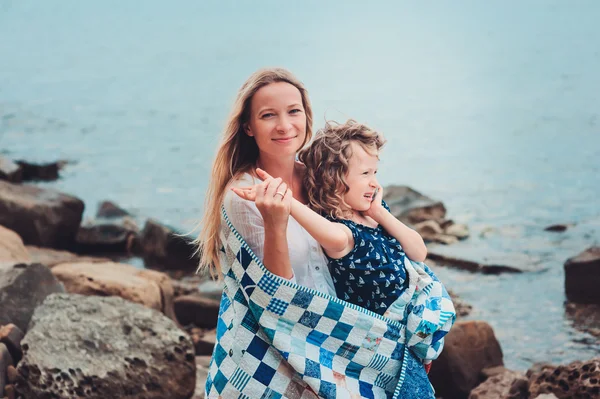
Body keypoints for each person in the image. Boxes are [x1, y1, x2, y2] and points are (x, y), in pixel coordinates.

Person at [232, 119, 454, 373]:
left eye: (375, 173)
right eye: (365, 174)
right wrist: (285, 200)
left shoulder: (374, 215)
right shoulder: (341, 234)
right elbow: (326, 231)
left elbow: (418, 252)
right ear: (334, 179)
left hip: (411, 331)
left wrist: (379, 213)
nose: (374, 182)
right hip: (382, 343)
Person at [196, 67, 336, 296]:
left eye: (293, 111)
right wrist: (274, 225)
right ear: (248, 127)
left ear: (306, 116)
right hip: (289, 328)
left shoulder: (320, 177)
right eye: (268, 115)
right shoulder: (243, 196)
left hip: (346, 323)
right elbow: (274, 295)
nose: (284, 126)